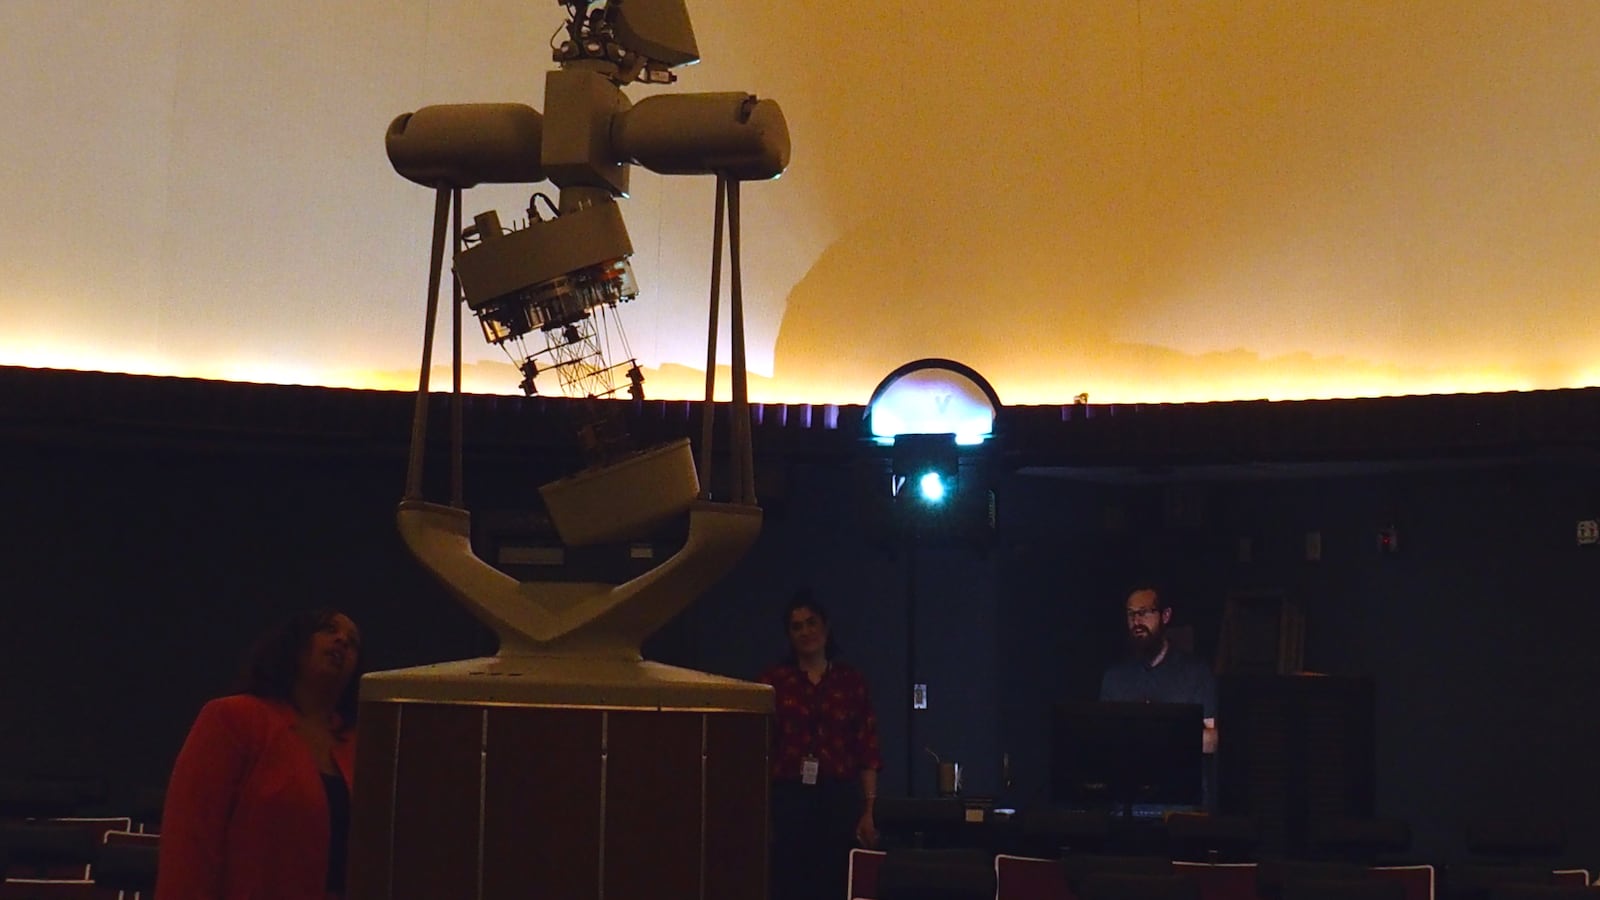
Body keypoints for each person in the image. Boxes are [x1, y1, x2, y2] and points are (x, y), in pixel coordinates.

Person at [157, 608, 363, 900]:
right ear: (295, 643)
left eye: (353, 642)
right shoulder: (233, 718)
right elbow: (192, 840)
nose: (342, 640)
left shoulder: (362, 745)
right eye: (329, 630)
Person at [759, 591, 883, 900]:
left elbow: (867, 748)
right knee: (789, 881)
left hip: (838, 795)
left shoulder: (851, 681)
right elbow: (760, 750)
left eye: (811, 623)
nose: (805, 632)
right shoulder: (773, 683)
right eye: (796, 626)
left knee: (835, 881)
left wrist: (868, 810)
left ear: (826, 628)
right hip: (789, 796)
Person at [1100, 584, 1218, 755]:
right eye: (1131, 614)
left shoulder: (1196, 674)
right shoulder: (1114, 678)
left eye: (1145, 612)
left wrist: (1158, 730)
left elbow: (1211, 742)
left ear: (1165, 615)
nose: (1137, 621)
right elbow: (1104, 739)